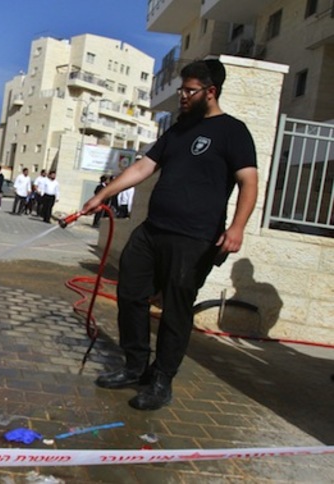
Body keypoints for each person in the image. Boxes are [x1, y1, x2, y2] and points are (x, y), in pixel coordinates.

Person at [80, 59, 258, 410]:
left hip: (195, 239)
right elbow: (144, 165)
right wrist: (103, 194)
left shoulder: (232, 131)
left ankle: (161, 380)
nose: (182, 96)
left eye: (190, 91)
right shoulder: (177, 131)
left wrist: (237, 227)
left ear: (211, 92)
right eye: (181, 89)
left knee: (176, 311)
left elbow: (248, 181)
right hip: (153, 231)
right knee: (131, 294)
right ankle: (134, 366)